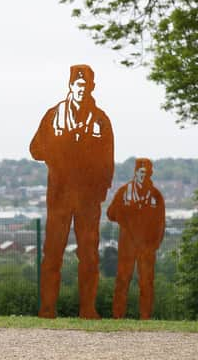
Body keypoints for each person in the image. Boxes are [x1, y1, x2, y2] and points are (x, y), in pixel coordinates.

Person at [30, 64, 114, 319]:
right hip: (59, 198)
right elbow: (35, 149)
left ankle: (88, 309)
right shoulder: (54, 115)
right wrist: (62, 147)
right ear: (70, 86)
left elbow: (108, 161)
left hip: (89, 200)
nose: (81, 89)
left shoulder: (100, 119)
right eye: (77, 85)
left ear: (91, 87)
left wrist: (100, 191)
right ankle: (47, 309)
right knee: (52, 254)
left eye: (85, 85)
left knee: (89, 255)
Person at [107, 158, 165, 320]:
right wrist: (125, 215)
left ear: (151, 173)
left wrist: (154, 245)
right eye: (141, 172)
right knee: (122, 281)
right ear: (135, 172)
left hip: (147, 247)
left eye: (147, 172)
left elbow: (161, 223)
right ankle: (118, 317)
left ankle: (145, 318)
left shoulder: (156, 195)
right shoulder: (124, 191)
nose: (143, 175)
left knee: (147, 283)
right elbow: (111, 214)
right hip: (127, 246)